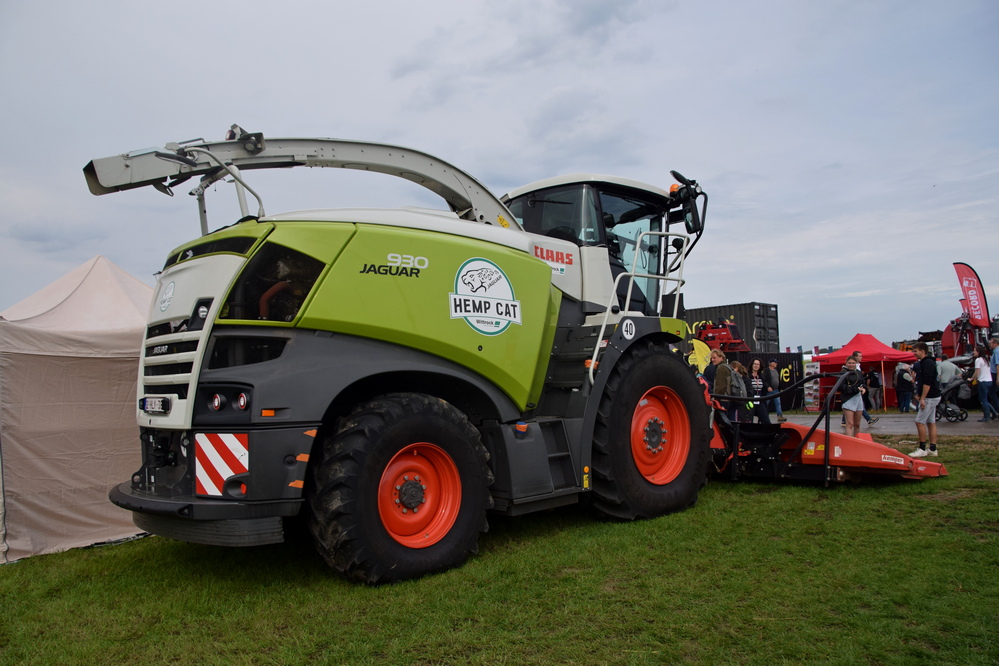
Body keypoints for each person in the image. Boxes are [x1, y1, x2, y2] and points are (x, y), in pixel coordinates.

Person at [909, 342, 941, 458]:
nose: (914, 353)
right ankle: (932, 448)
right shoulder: (926, 362)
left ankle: (922, 448)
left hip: (930, 397)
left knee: (919, 421)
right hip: (932, 396)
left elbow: (927, 382)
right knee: (931, 422)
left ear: (922, 351)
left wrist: (922, 398)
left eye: (915, 351)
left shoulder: (927, 363)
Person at [841, 351, 878, 426]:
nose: (861, 358)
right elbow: (844, 384)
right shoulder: (848, 369)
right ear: (855, 357)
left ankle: (844, 420)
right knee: (851, 406)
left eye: (861, 356)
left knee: (855, 407)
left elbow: (861, 380)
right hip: (852, 391)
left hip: (858, 391)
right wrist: (857, 388)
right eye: (860, 356)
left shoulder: (858, 367)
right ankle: (868, 419)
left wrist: (863, 387)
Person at [709, 349, 740, 422]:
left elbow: (720, 386)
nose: (712, 360)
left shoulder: (721, 368)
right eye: (712, 358)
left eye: (714, 357)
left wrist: (715, 399)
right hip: (730, 398)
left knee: (722, 422)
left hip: (723, 399)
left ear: (721, 358)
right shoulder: (728, 367)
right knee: (731, 420)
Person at [840, 356, 866, 437]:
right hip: (848, 399)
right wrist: (856, 389)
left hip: (858, 398)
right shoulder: (843, 373)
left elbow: (863, 383)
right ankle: (850, 440)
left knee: (857, 424)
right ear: (846, 363)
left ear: (856, 364)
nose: (851, 365)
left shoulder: (858, 372)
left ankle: (857, 440)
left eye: (853, 363)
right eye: (849, 363)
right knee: (850, 423)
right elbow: (842, 387)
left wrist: (863, 388)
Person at [971, 345, 996, 423]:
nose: (973, 352)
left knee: (983, 400)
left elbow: (977, 371)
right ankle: (994, 413)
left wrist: (972, 378)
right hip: (989, 380)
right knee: (984, 398)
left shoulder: (978, 360)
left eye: (974, 351)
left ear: (978, 352)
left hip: (983, 381)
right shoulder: (986, 359)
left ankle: (986, 416)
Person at [746, 358, 772, 424]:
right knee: (749, 421)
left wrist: (768, 387)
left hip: (760, 401)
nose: (756, 366)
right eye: (754, 364)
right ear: (752, 365)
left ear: (760, 366)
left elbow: (764, 383)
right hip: (751, 401)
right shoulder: (747, 376)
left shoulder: (761, 376)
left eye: (758, 364)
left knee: (766, 420)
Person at [989, 338, 999, 415]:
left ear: (995, 344)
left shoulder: (996, 352)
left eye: (991, 343)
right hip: (995, 374)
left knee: (992, 392)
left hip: (995, 374)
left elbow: (998, 365)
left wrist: (998, 377)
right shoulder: (995, 351)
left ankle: (997, 410)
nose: (990, 345)